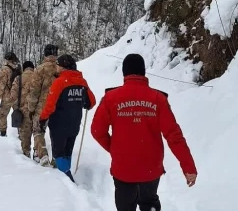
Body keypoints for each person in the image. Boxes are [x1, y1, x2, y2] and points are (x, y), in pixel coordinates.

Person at [90, 54, 198, 211]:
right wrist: (188, 167)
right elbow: (174, 136)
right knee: (149, 203)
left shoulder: (111, 98)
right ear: (143, 72)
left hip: (123, 167)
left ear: (124, 73)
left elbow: (97, 131)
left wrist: (114, 148)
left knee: (125, 206)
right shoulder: (157, 98)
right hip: (151, 167)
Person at [39, 54, 96, 182]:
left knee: (59, 154)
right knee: (67, 152)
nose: (56, 68)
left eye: (58, 65)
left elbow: (50, 105)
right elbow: (91, 102)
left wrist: (43, 118)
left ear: (63, 67)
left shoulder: (59, 82)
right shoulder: (82, 82)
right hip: (74, 124)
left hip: (59, 125)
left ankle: (67, 181)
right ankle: (66, 175)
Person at [27, 44, 59, 166]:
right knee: (55, 132)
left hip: (42, 105)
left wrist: (31, 108)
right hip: (57, 106)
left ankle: (43, 155)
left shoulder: (40, 69)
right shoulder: (60, 69)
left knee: (38, 130)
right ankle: (56, 158)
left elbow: (34, 91)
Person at [9, 61, 35, 158]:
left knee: (25, 137)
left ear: (24, 68)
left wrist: (16, 108)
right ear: (33, 67)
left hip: (23, 112)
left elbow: (13, 96)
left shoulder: (18, 79)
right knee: (38, 134)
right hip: (36, 111)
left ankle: (26, 155)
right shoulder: (38, 77)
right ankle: (37, 154)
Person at [0, 52, 21, 137]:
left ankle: (3, 132)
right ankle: (21, 133)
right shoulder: (18, 68)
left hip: (7, 97)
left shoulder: (4, 69)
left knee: (2, 114)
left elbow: (1, 84)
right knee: (18, 114)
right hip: (17, 96)